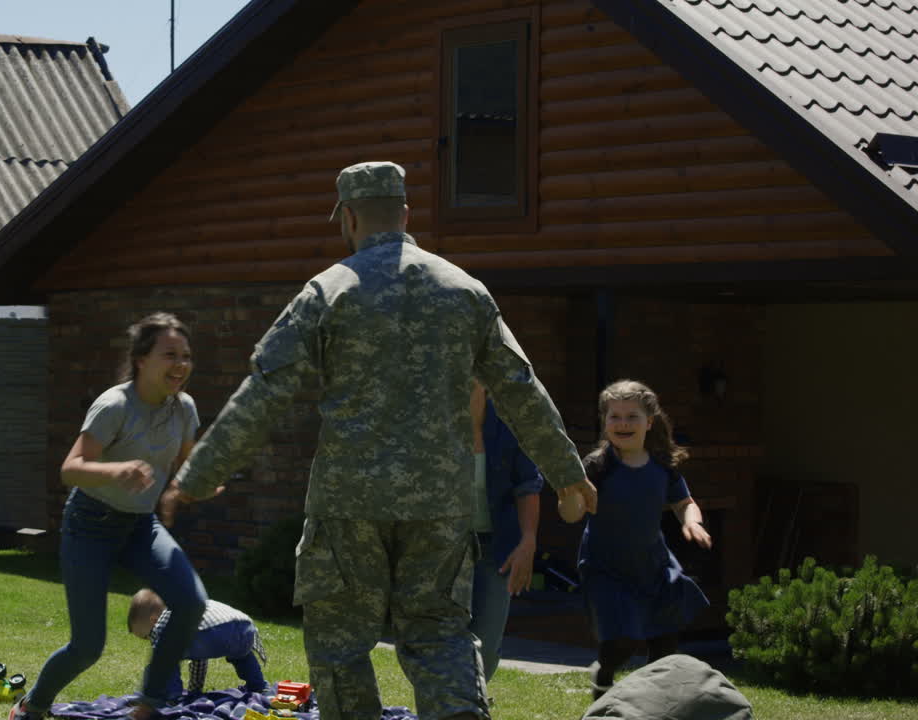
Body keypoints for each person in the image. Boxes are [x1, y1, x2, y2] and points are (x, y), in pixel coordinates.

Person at [165, 161, 597, 720]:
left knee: (341, 646)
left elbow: (264, 393)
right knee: (439, 632)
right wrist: (567, 473)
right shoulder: (465, 291)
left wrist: (197, 476)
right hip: (440, 504)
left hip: (349, 505)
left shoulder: (328, 291)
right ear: (406, 214)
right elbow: (521, 389)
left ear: (348, 218)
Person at [10, 313, 210, 720]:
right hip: (89, 524)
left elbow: (189, 466)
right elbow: (71, 468)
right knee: (87, 647)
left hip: (139, 524)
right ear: (141, 358)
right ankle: (32, 705)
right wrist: (116, 470)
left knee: (191, 601)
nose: (181, 365)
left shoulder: (183, 408)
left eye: (186, 356)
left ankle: (149, 704)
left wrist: (192, 486)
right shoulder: (115, 405)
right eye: (170, 355)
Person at [577, 379, 712, 700]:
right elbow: (572, 511)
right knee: (622, 640)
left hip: (654, 564)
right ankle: (604, 676)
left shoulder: (662, 468)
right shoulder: (598, 466)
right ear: (605, 421)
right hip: (605, 567)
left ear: (649, 422)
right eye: (615, 416)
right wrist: (570, 493)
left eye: (632, 416)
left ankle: (651, 703)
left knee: (665, 643)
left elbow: (684, 503)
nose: (623, 423)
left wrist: (693, 522)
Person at [468, 382, 549, 684]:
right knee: (445, 640)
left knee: (486, 644)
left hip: (496, 546)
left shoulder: (508, 423)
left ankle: (472, 703)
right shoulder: (434, 424)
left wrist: (528, 540)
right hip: (446, 546)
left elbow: (527, 484)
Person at [127, 588, 269, 697]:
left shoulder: (164, 623)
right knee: (242, 658)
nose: (150, 640)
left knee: (164, 662)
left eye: (146, 636)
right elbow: (199, 657)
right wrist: (195, 690)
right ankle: (258, 686)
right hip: (245, 626)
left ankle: (172, 696)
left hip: (214, 630)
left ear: (153, 620)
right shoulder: (187, 624)